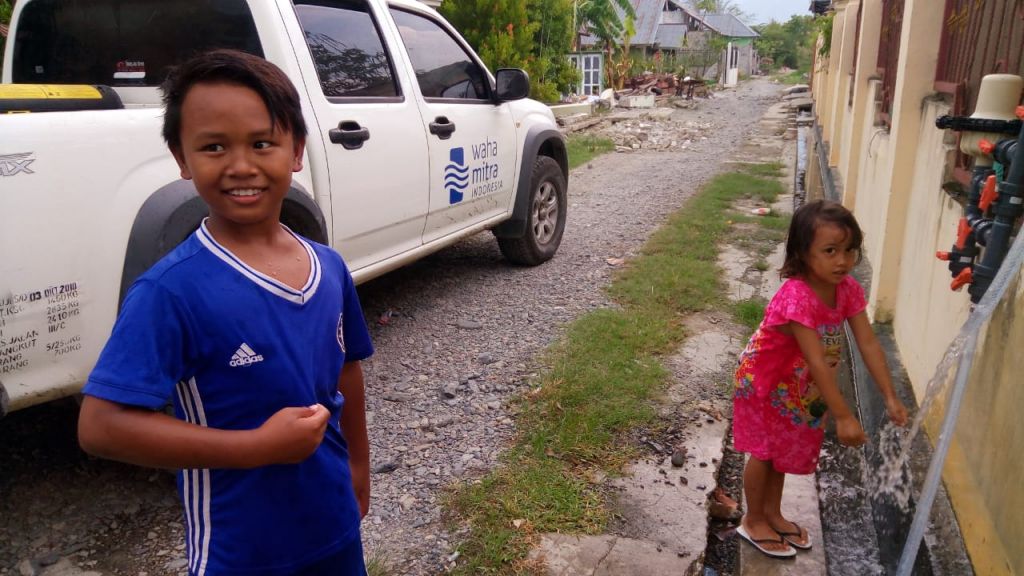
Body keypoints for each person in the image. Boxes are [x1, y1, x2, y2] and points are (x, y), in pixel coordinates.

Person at [77, 49, 374, 575]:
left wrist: (357, 466)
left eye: (262, 143)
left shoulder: (328, 267)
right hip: (239, 552)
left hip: (334, 528)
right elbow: (101, 427)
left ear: (296, 150)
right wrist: (257, 447)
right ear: (182, 158)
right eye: (214, 147)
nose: (240, 166)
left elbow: (346, 371)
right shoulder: (171, 291)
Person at [731, 200, 908, 559]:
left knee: (780, 451)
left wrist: (890, 395)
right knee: (764, 453)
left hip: (797, 387)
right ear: (802, 252)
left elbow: (868, 343)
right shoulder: (797, 295)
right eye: (830, 251)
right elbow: (814, 359)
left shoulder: (848, 290)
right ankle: (753, 520)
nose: (842, 261)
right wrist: (843, 416)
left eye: (850, 250)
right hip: (764, 382)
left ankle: (773, 514)